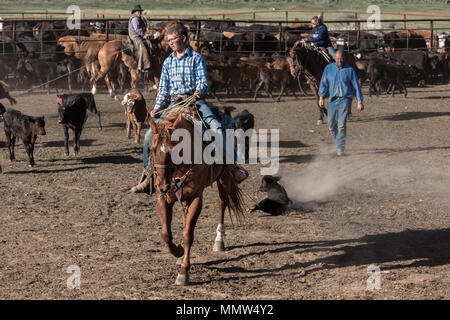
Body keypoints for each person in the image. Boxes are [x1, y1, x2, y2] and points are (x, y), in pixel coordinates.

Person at [131, 22, 248, 193]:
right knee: (150, 135)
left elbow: (202, 82)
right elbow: (163, 89)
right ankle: (148, 175)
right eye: (168, 40)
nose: (170, 43)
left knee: (216, 128)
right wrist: (156, 108)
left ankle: (233, 166)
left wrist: (199, 91)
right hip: (174, 103)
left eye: (173, 39)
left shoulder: (196, 58)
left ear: (183, 39)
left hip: (195, 102)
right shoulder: (168, 62)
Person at [318, 50, 364, 156]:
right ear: (334, 58)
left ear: (345, 58)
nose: (340, 60)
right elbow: (323, 83)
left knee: (341, 124)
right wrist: (321, 97)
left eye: (342, 58)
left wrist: (359, 102)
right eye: (338, 58)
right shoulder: (328, 69)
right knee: (331, 125)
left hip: (345, 99)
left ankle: (340, 147)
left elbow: (356, 87)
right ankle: (339, 141)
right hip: (332, 100)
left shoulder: (350, 70)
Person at [128, 4, 151, 72]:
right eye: (139, 11)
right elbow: (137, 29)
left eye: (140, 11)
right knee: (142, 47)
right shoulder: (135, 18)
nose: (140, 12)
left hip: (136, 34)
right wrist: (144, 35)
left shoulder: (137, 17)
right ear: (136, 11)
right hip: (135, 36)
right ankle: (144, 66)